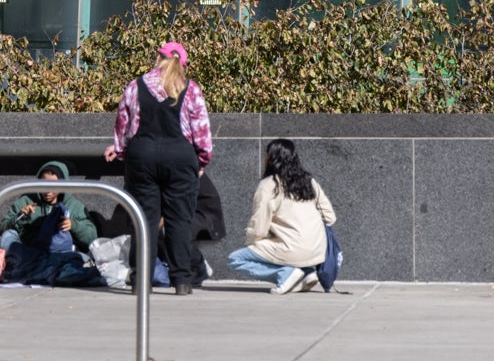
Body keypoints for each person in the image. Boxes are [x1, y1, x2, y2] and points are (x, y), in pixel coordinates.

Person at [104, 41, 213, 296]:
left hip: (142, 157)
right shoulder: (191, 89)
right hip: (180, 158)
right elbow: (202, 132)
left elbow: (123, 125)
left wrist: (120, 150)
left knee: (144, 220)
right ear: (182, 64)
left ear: (158, 58)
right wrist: (202, 161)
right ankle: (182, 281)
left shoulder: (135, 86)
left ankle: (141, 280)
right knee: (180, 221)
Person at [229, 138, 336, 295]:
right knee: (287, 250)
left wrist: (251, 243)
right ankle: (305, 272)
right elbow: (330, 217)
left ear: (272, 158)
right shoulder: (309, 181)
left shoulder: (269, 185)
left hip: (291, 248)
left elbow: (259, 228)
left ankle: (285, 274)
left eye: (266, 154)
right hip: (318, 250)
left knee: (235, 259)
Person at [0, 161, 97, 254]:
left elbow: (92, 237)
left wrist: (74, 225)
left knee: (83, 259)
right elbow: (2, 229)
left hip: (61, 256)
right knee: (8, 236)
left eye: (54, 186)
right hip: (29, 254)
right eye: (44, 185)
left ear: (63, 185)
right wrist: (21, 216)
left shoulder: (74, 206)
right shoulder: (26, 201)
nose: (48, 191)